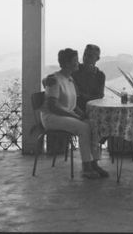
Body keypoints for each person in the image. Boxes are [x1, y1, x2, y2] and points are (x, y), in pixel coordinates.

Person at [41, 48, 109, 179]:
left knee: (92, 124)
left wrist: (82, 115)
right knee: (83, 127)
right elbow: (53, 107)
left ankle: (94, 163)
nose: (79, 62)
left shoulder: (70, 79)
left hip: (65, 115)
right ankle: (86, 167)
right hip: (52, 117)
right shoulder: (54, 80)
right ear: (67, 63)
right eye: (76, 60)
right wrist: (75, 116)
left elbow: (73, 104)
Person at [72, 44, 106, 112]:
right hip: (74, 108)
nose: (86, 58)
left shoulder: (100, 75)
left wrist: (82, 95)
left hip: (93, 109)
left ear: (97, 58)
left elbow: (99, 96)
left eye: (90, 56)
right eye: (85, 54)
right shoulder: (74, 70)